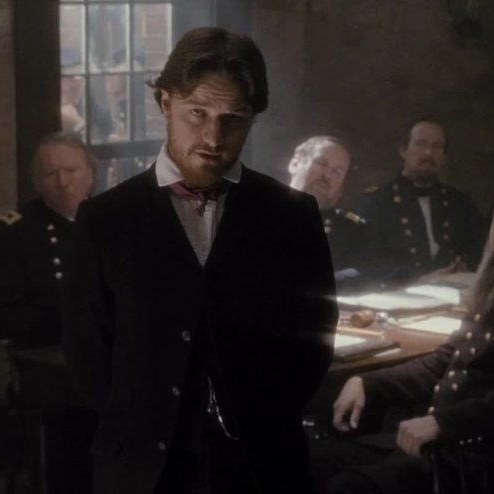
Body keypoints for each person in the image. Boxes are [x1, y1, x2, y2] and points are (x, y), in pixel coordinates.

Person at [61, 27, 338, 494]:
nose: (213, 137)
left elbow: (315, 339)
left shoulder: (292, 215)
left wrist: (263, 416)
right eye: (198, 113)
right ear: (165, 103)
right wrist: (143, 422)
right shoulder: (104, 220)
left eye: (233, 119)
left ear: (252, 119)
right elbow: (87, 352)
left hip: (260, 465)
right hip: (142, 470)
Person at [312, 185, 494, 494]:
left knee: (349, 487)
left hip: (482, 457)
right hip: (443, 443)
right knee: (313, 458)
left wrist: (443, 422)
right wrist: (366, 382)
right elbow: (441, 363)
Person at [0, 132, 95, 347]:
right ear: (37, 182)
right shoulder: (13, 233)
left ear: (90, 174)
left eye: (71, 171)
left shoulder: (116, 222)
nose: (63, 182)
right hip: (47, 356)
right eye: (51, 173)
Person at [355, 118, 485, 285]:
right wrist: (417, 279)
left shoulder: (461, 203)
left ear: (444, 156)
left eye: (437, 146)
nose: (428, 153)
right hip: (397, 293)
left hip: (454, 292)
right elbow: (366, 260)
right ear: (404, 150)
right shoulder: (375, 202)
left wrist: (464, 266)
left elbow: (480, 250)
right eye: (421, 144)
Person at [287, 136, 372, 289]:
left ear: (341, 188)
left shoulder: (354, 233)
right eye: (321, 163)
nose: (326, 175)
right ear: (295, 163)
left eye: (337, 172)